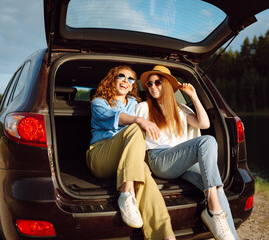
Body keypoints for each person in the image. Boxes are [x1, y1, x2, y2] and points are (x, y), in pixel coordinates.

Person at [135, 65, 239, 240]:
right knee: (207, 141)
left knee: (217, 188)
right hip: (161, 159)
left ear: (167, 84)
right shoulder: (143, 108)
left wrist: (194, 96)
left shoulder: (182, 109)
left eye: (158, 82)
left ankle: (228, 232)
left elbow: (204, 124)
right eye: (149, 84)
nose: (152, 87)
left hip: (183, 162)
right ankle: (213, 211)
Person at [86, 65, 175, 240]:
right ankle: (126, 193)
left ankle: (166, 235)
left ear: (133, 85)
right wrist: (139, 120)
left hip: (128, 159)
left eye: (130, 79)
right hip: (101, 157)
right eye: (121, 76)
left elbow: (157, 108)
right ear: (113, 79)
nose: (126, 81)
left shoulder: (135, 104)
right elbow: (116, 118)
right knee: (135, 128)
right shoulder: (99, 102)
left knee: (146, 179)